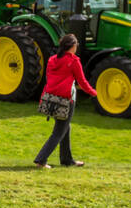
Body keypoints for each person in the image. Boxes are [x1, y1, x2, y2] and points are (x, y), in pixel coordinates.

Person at [33, 34, 97, 168]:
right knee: (59, 131)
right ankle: (41, 160)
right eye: (76, 44)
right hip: (67, 99)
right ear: (72, 46)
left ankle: (67, 160)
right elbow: (82, 81)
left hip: (52, 98)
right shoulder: (73, 61)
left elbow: (49, 78)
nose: (77, 47)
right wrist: (94, 93)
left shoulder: (52, 60)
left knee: (65, 128)